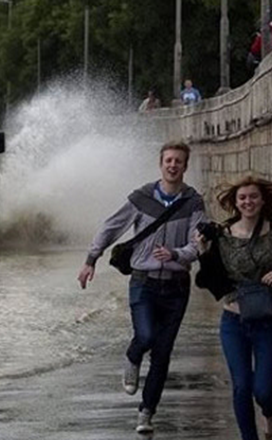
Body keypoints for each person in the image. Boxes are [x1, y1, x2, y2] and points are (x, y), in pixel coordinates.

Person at [77, 141, 206, 434]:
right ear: (161, 164)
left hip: (176, 287)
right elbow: (111, 227)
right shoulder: (142, 197)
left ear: (185, 167)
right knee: (146, 336)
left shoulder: (193, 202)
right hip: (143, 282)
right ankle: (133, 357)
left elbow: (198, 244)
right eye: (169, 160)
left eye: (179, 162)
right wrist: (90, 260)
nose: (173, 165)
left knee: (163, 353)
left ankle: (146, 413)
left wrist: (176, 254)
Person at [195, 175, 272, 440]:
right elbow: (210, 281)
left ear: (262, 200)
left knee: (262, 390)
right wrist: (204, 252)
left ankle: (270, 413)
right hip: (233, 323)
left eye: (253, 197)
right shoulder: (223, 234)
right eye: (243, 198)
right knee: (241, 388)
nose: (248, 201)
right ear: (235, 203)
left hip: (267, 321)